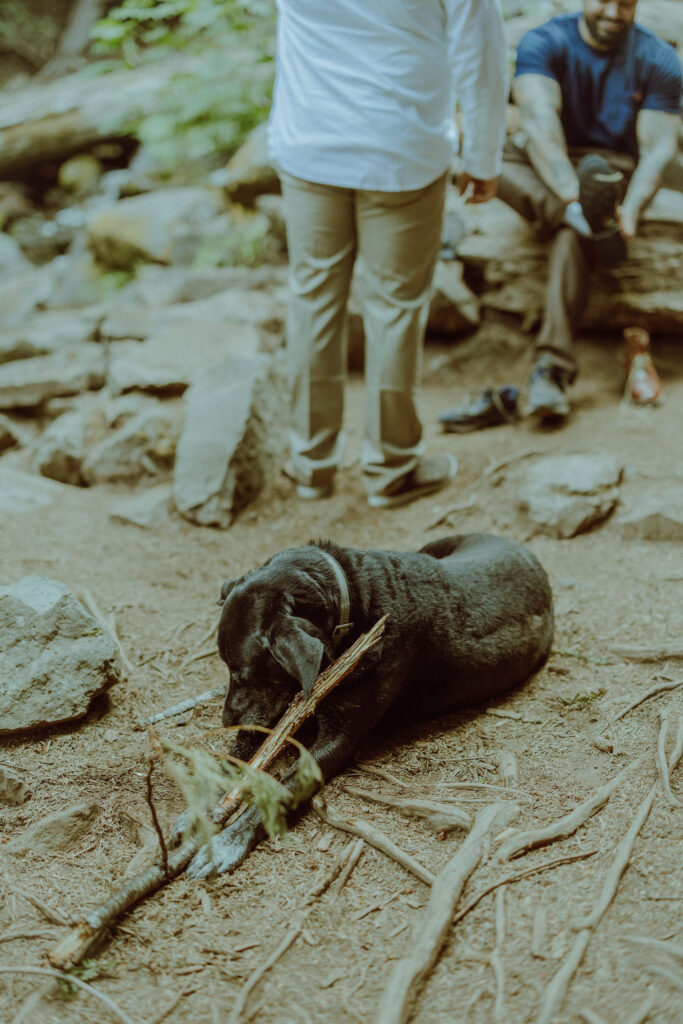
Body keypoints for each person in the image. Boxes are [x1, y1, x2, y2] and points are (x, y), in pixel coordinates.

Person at [268, 0, 507, 507]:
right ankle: (390, 469)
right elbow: (480, 55)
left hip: (310, 142)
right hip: (400, 150)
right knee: (394, 310)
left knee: (313, 303)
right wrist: (483, 155)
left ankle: (311, 465)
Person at [499, 0, 682, 422]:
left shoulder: (658, 58)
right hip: (547, 163)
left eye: (627, 4)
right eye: (605, 0)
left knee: (574, 233)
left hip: (609, 167)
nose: (614, 13)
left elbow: (658, 150)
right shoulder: (544, 41)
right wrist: (572, 198)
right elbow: (538, 118)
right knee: (489, 158)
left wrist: (631, 210)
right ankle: (584, 219)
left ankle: (551, 369)